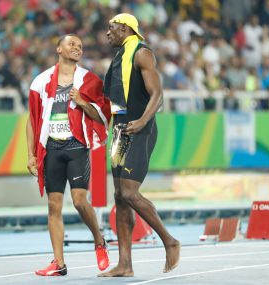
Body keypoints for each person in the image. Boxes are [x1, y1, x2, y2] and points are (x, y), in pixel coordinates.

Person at [99, 13, 180, 277]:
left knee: (130, 193)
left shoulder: (141, 53)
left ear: (124, 28)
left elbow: (157, 94)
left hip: (140, 130)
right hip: (121, 133)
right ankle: (125, 265)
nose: (107, 32)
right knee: (120, 198)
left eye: (111, 28)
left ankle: (169, 241)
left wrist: (142, 121)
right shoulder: (119, 57)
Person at [26, 34, 111, 276]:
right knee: (54, 206)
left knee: (79, 201)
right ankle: (59, 263)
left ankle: (99, 240)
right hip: (52, 148)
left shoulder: (89, 80)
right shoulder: (40, 82)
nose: (77, 47)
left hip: (76, 147)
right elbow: (31, 121)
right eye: (72, 43)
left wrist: (83, 102)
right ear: (59, 49)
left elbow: (104, 117)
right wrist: (31, 154)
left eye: (80, 46)